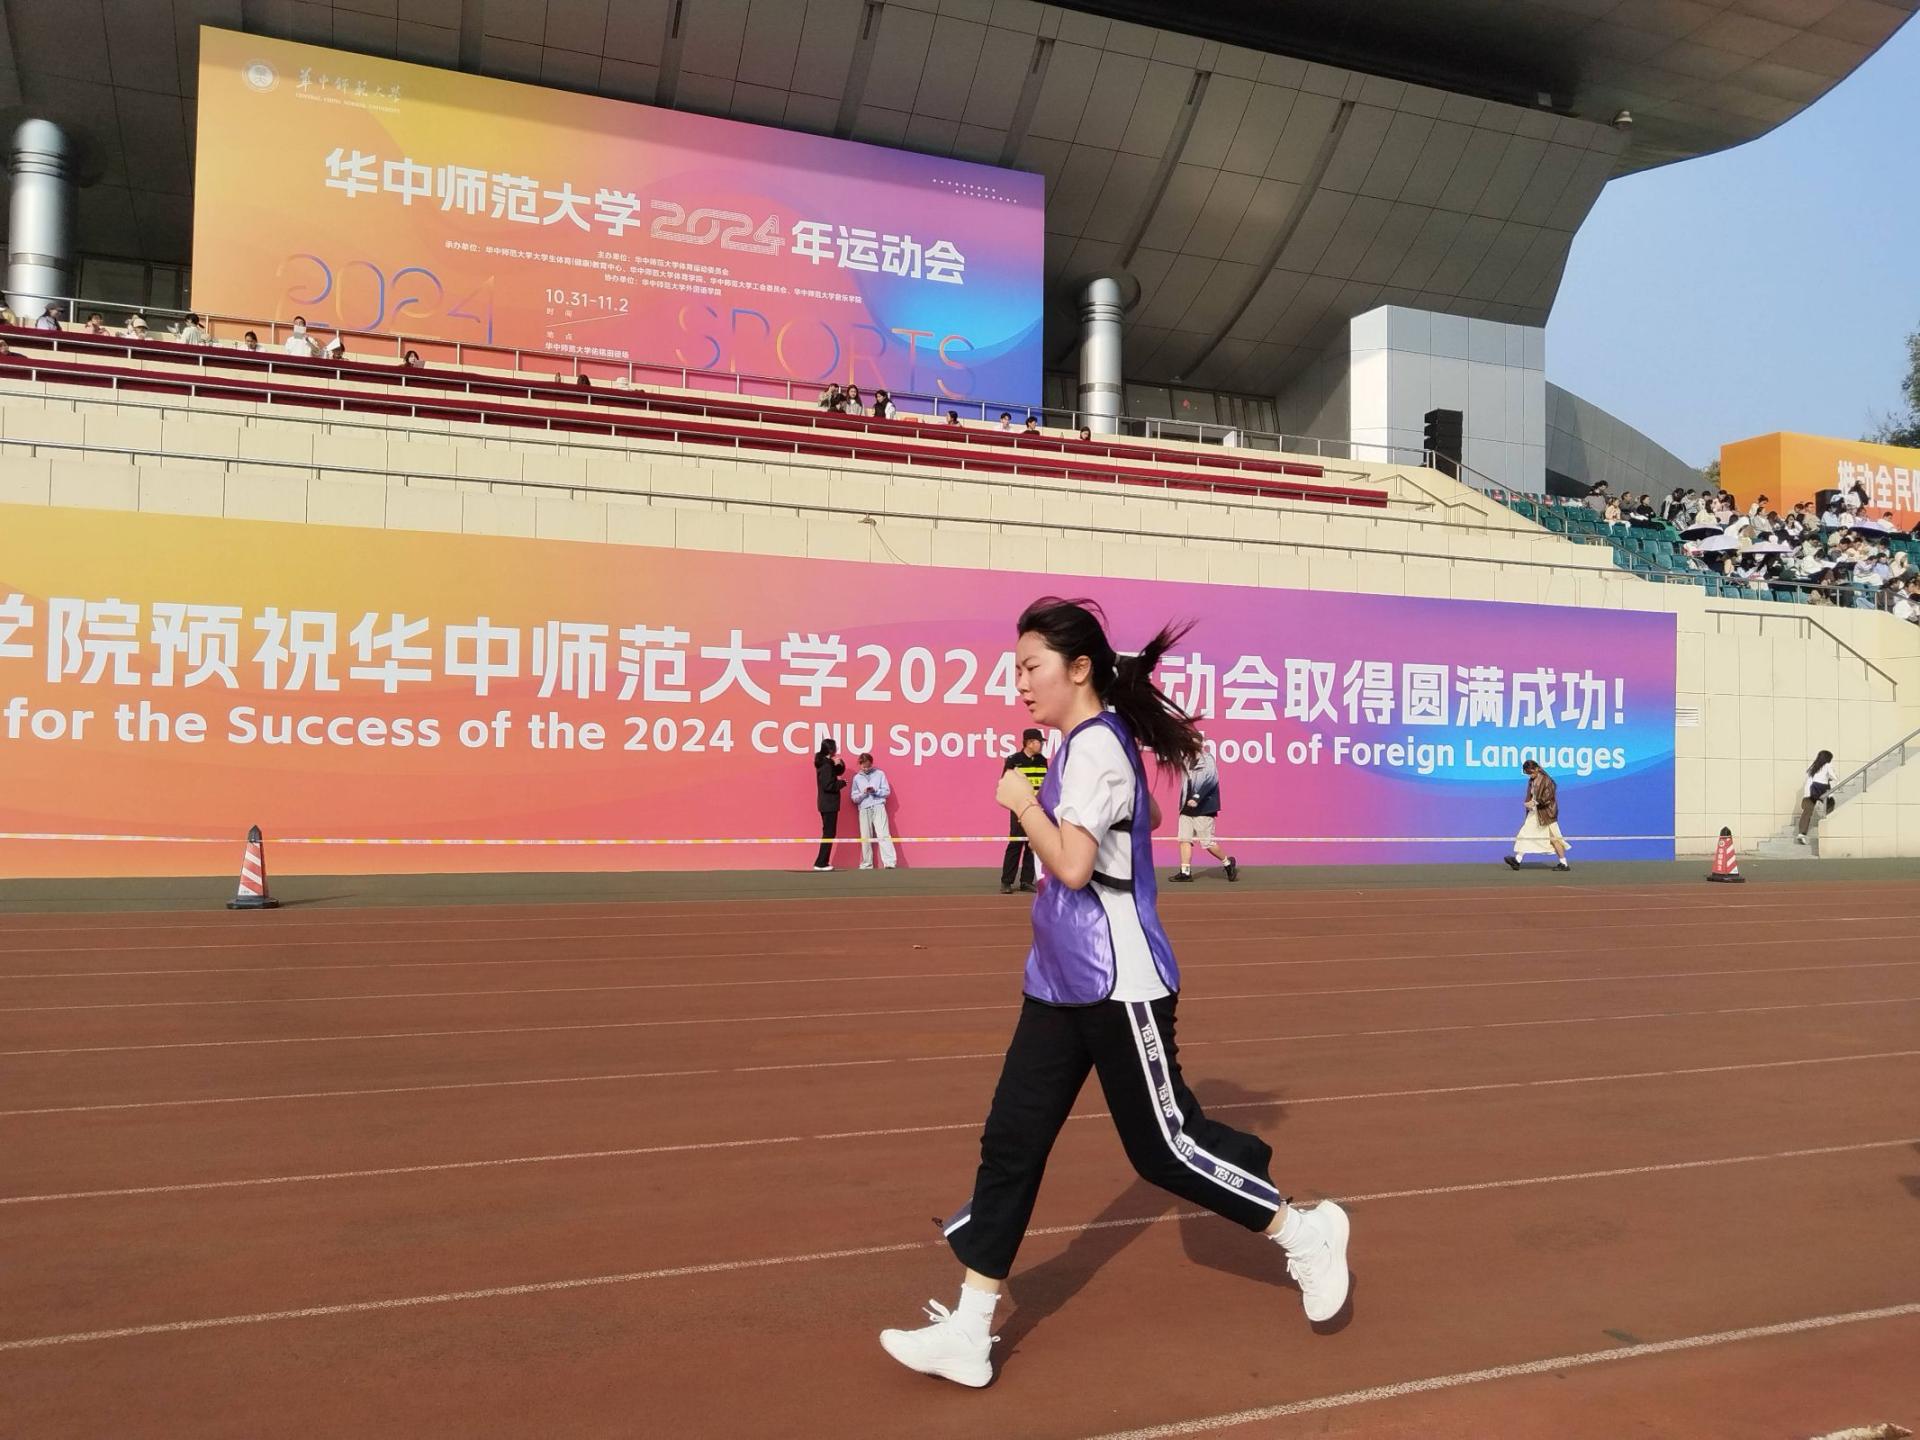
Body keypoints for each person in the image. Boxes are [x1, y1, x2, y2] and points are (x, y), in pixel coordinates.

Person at [879, 597, 1351, 1389]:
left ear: (1078, 668)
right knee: (1012, 1140)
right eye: (1015, 669)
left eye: (1030, 667)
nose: (1018, 683)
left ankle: (1303, 1233)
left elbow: (1070, 866)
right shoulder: (1090, 745)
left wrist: (1022, 802)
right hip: (1059, 980)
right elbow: (1148, 811)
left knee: (1163, 1147)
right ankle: (970, 1327)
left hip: (1117, 982)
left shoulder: (1096, 747)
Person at [1172, 747, 1237, 882]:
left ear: (1200, 744)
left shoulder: (1207, 760)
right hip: (1186, 807)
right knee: (1184, 839)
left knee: (1207, 843)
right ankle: (1185, 872)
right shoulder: (1185, 759)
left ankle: (1227, 863)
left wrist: (1196, 798)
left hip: (1204, 807)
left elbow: (1211, 781)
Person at [998, 728, 1047, 894]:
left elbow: (1044, 784)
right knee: (1015, 843)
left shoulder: (1042, 760)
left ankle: (1026, 881)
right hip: (1019, 809)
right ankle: (1006, 881)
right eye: (1039, 742)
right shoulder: (1014, 760)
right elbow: (1006, 784)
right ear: (1029, 743)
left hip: (1036, 809)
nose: (1041, 745)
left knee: (1032, 845)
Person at [1504, 758, 1569, 870]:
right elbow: (1531, 796)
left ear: (1537, 769)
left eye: (1531, 772)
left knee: (1554, 839)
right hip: (1534, 812)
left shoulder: (1547, 780)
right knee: (1525, 834)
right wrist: (1528, 803)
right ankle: (1517, 860)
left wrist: (1535, 802)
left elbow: (1548, 797)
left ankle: (1564, 864)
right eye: (1528, 773)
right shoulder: (1531, 781)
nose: (1530, 775)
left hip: (1546, 813)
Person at [850, 752, 897, 870]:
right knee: (865, 836)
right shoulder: (857, 778)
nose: (866, 768)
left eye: (868, 766)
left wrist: (875, 791)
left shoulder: (880, 774)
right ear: (860, 764)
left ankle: (890, 862)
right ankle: (867, 864)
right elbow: (854, 798)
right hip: (864, 809)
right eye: (863, 766)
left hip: (878, 806)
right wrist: (863, 793)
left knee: (883, 834)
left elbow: (887, 792)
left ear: (871, 763)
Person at [812, 738, 845, 871]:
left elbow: (838, 771)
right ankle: (821, 863)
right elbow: (828, 785)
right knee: (829, 833)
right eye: (835, 747)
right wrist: (842, 783)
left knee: (829, 833)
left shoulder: (827, 763)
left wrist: (838, 764)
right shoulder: (825, 766)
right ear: (831, 749)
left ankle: (822, 862)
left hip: (827, 804)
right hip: (828, 804)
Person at [1797, 749, 1835, 844]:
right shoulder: (1827, 765)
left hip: (1809, 793)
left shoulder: (1813, 767)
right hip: (1820, 791)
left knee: (1807, 812)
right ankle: (1826, 822)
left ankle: (1801, 834)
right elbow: (1833, 777)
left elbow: (1810, 780)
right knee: (1831, 803)